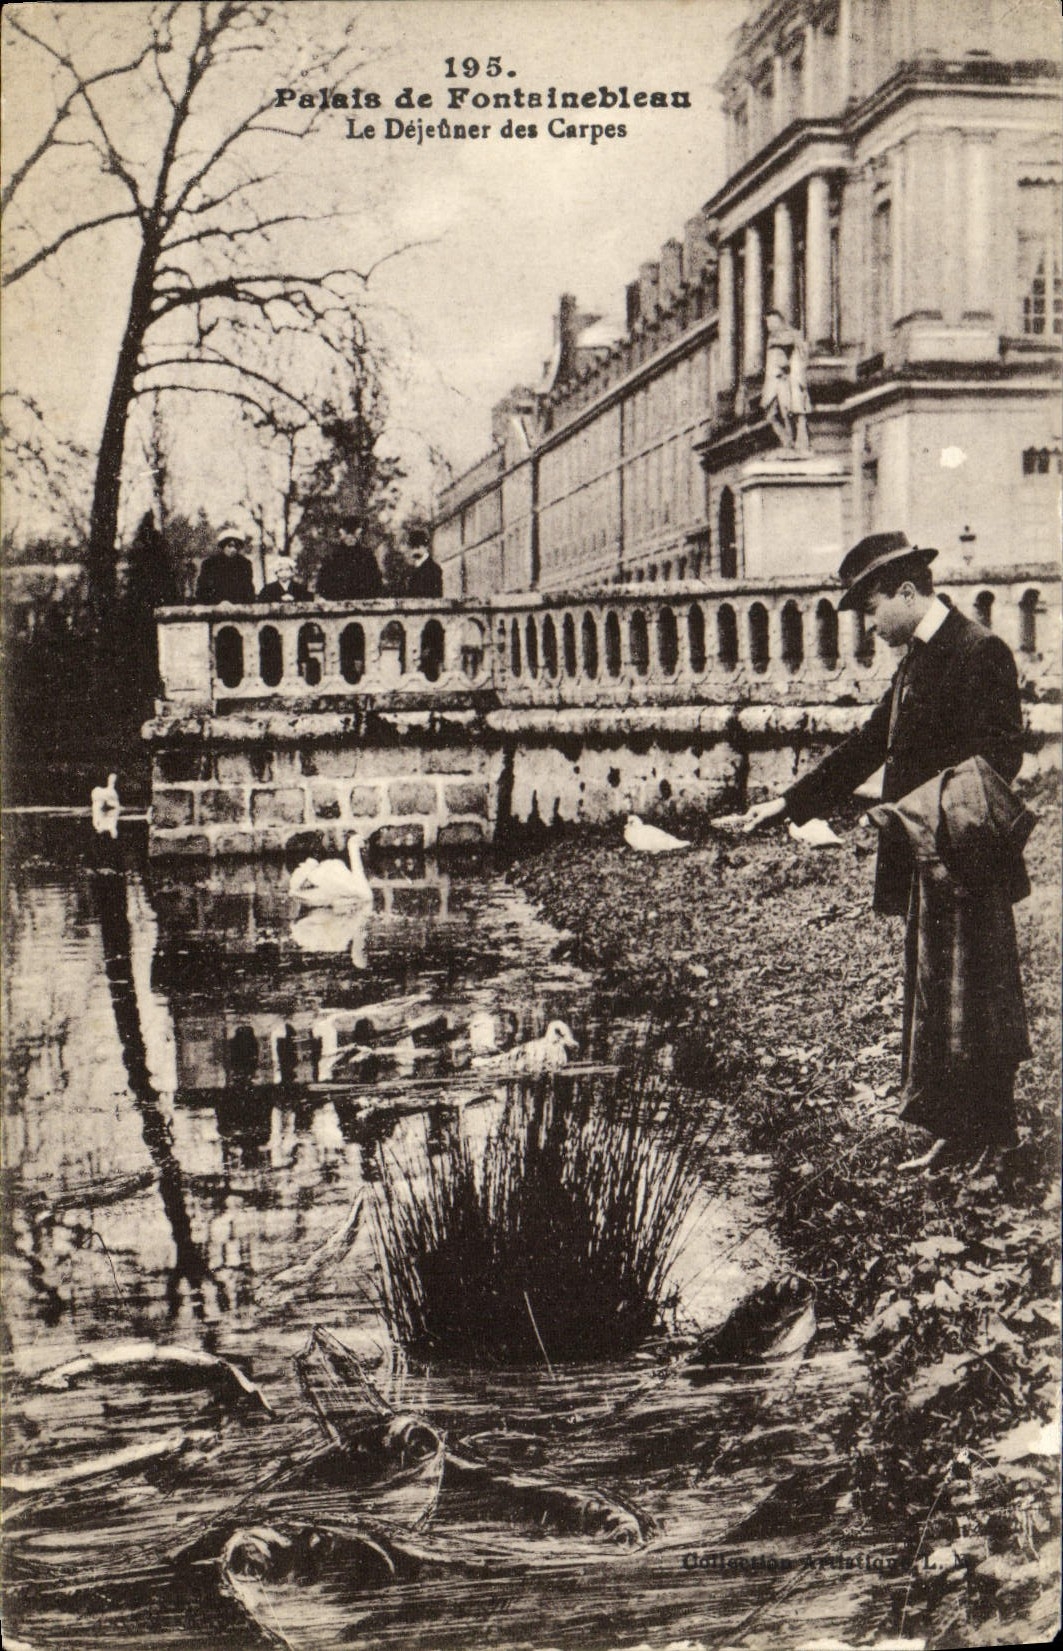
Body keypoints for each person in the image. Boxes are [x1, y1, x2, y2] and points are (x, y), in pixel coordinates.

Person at [716, 530, 1029, 1169]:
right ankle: (957, 1131)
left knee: (981, 994)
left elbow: (1002, 756)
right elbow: (867, 744)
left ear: (906, 592)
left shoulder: (979, 650)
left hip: (968, 856)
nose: (868, 624)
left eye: (871, 608)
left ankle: (997, 1138)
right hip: (927, 855)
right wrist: (788, 803)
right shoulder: (918, 658)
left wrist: (927, 815)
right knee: (936, 991)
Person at [760, 309, 812, 451]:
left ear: (779, 321)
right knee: (771, 414)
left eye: (772, 322)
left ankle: (792, 442)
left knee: (787, 412)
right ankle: (787, 440)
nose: (770, 326)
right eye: (768, 323)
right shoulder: (773, 340)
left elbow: (792, 352)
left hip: (784, 381)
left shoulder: (789, 336)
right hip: (773, 383)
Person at [316, 517, 383, 600]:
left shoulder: (367, 557)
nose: (350, 537)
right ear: (340, 535)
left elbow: (376, 584)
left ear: (360, 534)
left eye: (354, 534)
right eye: (346, 533)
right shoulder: (332, 557)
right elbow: (323, 586)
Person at [195, 523, 256, 604]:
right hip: (215, 608)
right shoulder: (210, 564)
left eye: (236, 546)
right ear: (223, 546)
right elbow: (202, 590)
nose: (233, 549)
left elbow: (248, 590)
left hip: (239, 609)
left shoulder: (245, 564)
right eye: (230, 546)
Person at [403, 527, 443, 599]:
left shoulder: (434, 569)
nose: (415, 550)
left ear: (426, 547)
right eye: (412, 547)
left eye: (418, 546)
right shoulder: (410, 570)